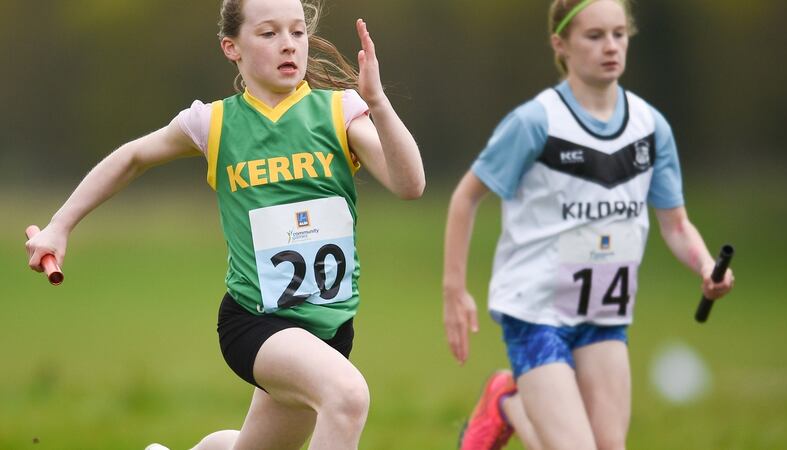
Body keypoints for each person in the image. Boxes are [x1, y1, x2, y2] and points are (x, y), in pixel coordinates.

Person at [25, 0, 425, 449]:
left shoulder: (341, 112)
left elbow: (409, 184)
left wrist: (378, 102)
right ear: (231, 47)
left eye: (297, 32)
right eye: (269, 33)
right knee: (347, 396)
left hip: (328, 331)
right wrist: (60, 225)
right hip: (255, 324)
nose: (288, 45)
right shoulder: (214, 122)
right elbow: (132, 158)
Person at [442, 1, 734, 449]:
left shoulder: (651, 127)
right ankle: (511, 399)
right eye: (594, 36)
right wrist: (455, 291)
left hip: (604, 312)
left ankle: (508, 402)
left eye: (619, 34)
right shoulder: (535, 122)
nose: (611, 47)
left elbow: (676, 225)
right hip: (535, 312)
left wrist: (704, 265)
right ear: (561, 43)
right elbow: (466, 197)